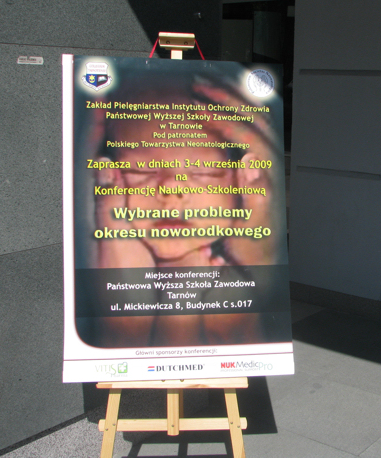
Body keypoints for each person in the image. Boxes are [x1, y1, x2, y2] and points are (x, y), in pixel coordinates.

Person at [76, 64, 288, 348]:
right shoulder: (92, 267)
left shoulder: (238, 287)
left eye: (202, 171)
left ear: (242, 181)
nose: (171, 190)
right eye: (141, 170)